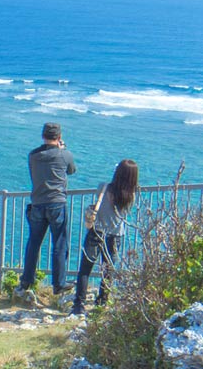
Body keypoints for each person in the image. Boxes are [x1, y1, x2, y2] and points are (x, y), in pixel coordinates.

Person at [71, 159, 139, 316]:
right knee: (108, 270)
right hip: (116, 235)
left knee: (85, 269)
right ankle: (102, 300)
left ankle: (78, 305)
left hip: (97, 231)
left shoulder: (103, 187)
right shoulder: (131, 196)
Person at [17, 122, 77, 298]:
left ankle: (26, 280)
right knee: (59, 243)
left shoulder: (33, 155)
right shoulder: (64, 154)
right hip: (57, 203)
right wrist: (63, 149)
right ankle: (58, 284)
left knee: (34, 243)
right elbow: (71, 170)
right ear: (59, 137)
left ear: (43, 136)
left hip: (37, 203)